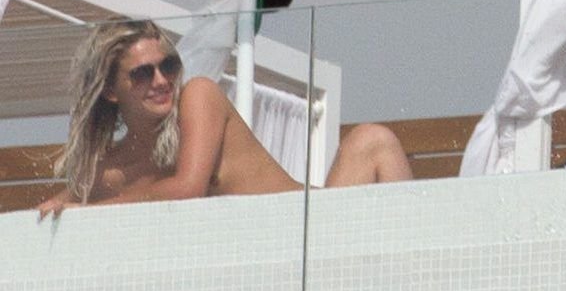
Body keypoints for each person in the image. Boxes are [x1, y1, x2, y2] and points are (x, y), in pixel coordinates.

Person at [37, 19, 413, 220]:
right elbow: (62, 204)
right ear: (110, 90)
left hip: (310, 227)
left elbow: (187, 188)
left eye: (169, 66)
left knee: (372, 140)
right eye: (143, 73)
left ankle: (424, 270)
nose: (162, 81)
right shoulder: (115, 164)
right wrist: (65, 208)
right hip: (266, 257)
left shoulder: (198, 96)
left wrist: (90, 212)